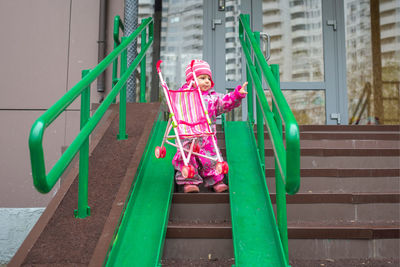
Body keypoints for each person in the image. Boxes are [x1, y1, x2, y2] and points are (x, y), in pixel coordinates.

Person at [172, 59, 248, 193]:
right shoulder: (183, 96)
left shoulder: (213, 98)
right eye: (202, 78)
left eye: (208, 78)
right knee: (187, 157)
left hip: (207, 135)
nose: (207, 81)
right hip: (187, 134)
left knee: (211, 157)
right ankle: (189, 182)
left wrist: (237, 95)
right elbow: (175, 108)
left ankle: (216, 181)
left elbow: (225, 102)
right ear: (192, 80)